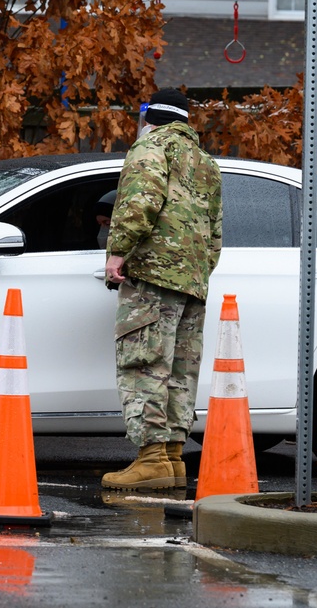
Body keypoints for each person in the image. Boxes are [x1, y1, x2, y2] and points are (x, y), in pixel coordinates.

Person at [101, 87, 223, 490]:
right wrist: (198, 272)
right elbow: (216, 233)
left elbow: (140, 202)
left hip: (153, 275)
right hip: (193, 281)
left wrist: (117, 252)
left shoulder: (149, 147)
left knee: (145, 363)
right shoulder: (205, 163)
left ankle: (151, 459)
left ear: (148, 120)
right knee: (179, 371)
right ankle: (172, 459)